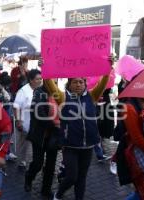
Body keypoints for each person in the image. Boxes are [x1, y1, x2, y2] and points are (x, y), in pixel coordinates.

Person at [45, 61, 113, 200]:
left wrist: (109, 66)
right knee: (72, 176)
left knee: (81, 179)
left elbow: (103, 82)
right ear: (69, 84)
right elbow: (50, 85)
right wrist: (44, 67)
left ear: (85, 84)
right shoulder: (63, 97)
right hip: (70, 145)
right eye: (75, 82)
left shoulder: (92, 96)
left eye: (81, 82)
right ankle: (58, 194)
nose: (78, 84)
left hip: (88, 146)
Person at [24, 80, 61, 197]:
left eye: (55, 81)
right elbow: (39, 113)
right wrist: (55, 124)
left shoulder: (59, 94)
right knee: (38, 164)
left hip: (54, 136)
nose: (53, 84)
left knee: (50, 166)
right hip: (40, 135)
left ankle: (46, 190)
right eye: (50, 81)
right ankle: (29, 177)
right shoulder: (38, 93)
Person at [13, 69, 43, 170]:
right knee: (24, 143)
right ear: (30, 80)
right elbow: (16, 106)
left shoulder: (41, 90)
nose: (39, 81)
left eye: (40, 78)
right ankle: (22, 160)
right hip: (25, 121)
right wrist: (18, 121)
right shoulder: (23, 91)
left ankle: (35, 160)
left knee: (36, 143)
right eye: (37, 79)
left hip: (37, 122)